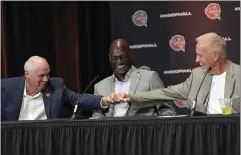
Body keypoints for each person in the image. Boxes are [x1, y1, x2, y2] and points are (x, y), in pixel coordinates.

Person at [117, 32, 240, 114]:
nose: (197, 60)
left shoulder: (238, 74)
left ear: (215, 56)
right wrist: (132, 97)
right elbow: (167, 93)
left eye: (200, 55)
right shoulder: (198, 75)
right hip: (202, 136)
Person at [1, 56, 116, 121]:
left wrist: (104, 100)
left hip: (45, 139)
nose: (46, 79)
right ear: (27, 74)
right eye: (41, 76)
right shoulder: (6, 88)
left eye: (48, 74)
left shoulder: (55, 86)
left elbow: (77, 99)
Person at [92, 39, 176, 117]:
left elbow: (168, 111)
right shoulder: (100, 87)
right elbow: (97, 118)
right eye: (115, 58)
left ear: (130, 55)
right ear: (110, 59)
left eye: (122, 57)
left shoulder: (149, 78)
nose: (119, 62)